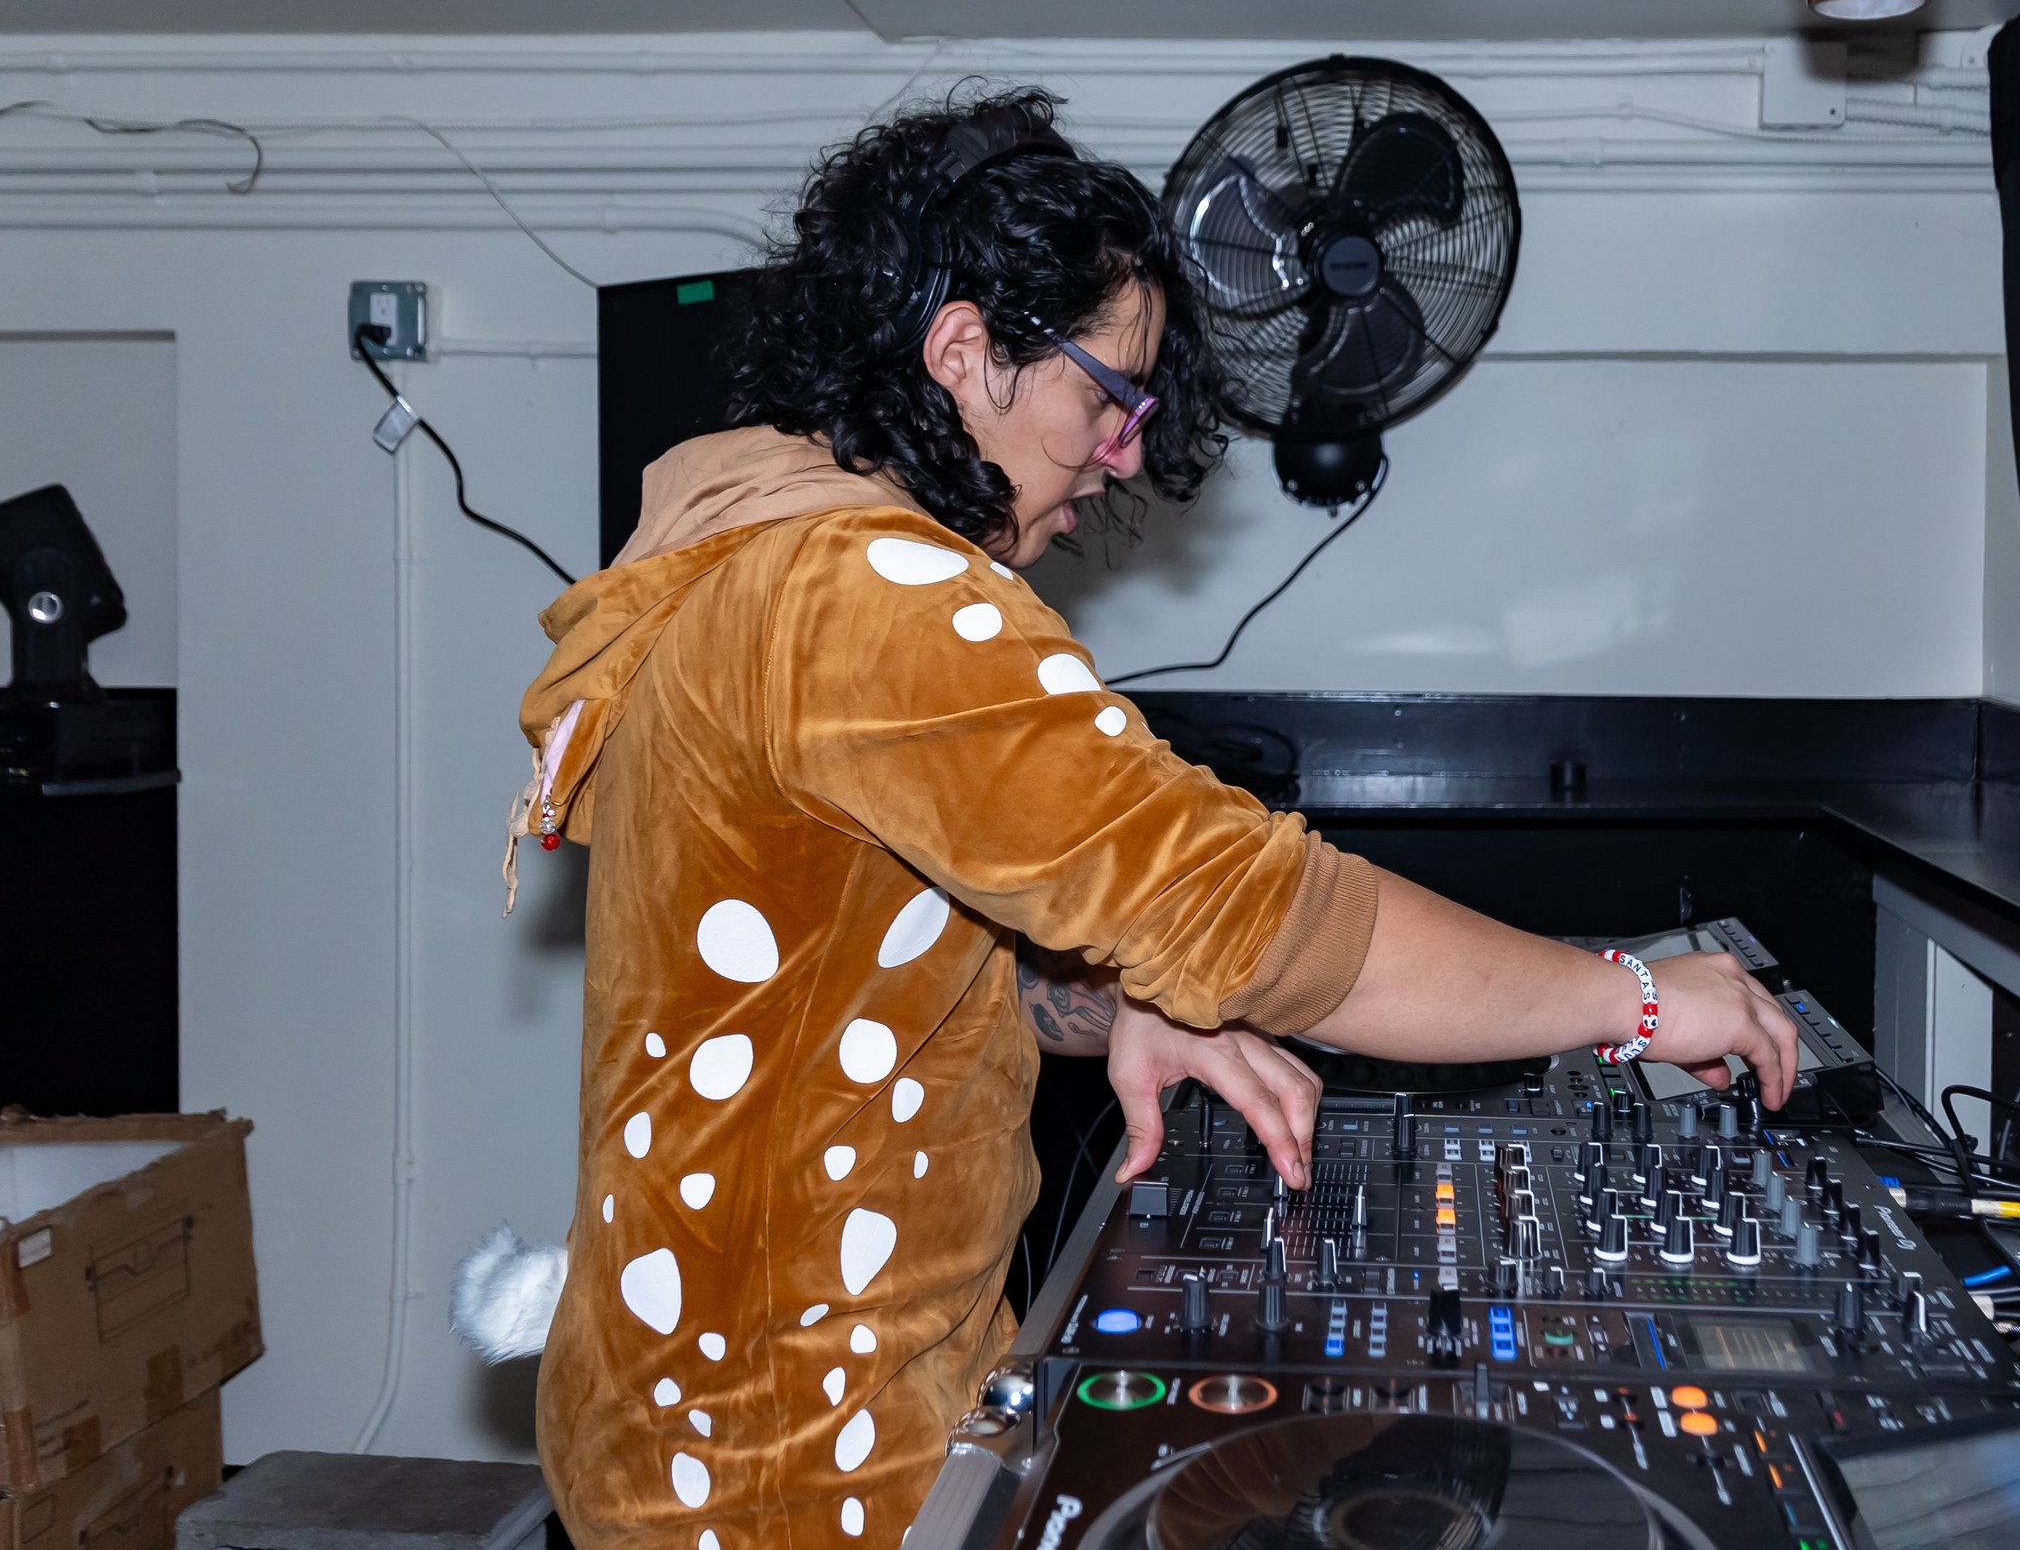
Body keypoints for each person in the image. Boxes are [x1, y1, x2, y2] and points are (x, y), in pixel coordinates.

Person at [499, 85, 1796, 1550]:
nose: (1122, 451)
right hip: (789, 1477)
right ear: (965, 353)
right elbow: (1258, 916)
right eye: (1105, 398)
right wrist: (1630, 999)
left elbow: (874, 950)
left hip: (712, 1428)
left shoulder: (763, 557)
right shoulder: (871, 598)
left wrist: (1110, 1006)